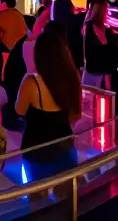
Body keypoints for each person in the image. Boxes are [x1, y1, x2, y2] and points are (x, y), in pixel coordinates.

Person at [16, 24, 82, 179]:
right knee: (66, 193)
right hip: (65, 145)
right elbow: (76, 114)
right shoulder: (73, 78)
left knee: (37, 196)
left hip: (36, 148)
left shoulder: (32, 83)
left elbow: (19, 110)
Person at [82, 0, 117, 90]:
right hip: (101, 67)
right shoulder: (102, 27)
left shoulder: (88, 26)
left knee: (88, 95)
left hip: (92, 66)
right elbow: (104, 44)